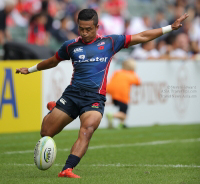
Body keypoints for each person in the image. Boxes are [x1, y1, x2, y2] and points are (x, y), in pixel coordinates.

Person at [16, 9, 188, 178]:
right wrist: (30, 70)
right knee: (45, 132)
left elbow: (141, 36)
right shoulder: (70, 46)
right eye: (81, 29)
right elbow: (53, 61)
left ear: (97, 26)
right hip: (72, 95)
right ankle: (55, 108)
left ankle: (67, 169)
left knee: (88, 129)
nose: (84, 33)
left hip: (94, 99)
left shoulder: (110, 42)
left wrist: (169, 28)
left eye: (88, 29)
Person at [106, 59, 140, 129]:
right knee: (124, 113)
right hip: (122, 94)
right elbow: (138, 82)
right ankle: (112, 115)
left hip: (113, 93)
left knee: (122, 110)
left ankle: (121, 124)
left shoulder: (117, 72)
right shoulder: (131, 74)